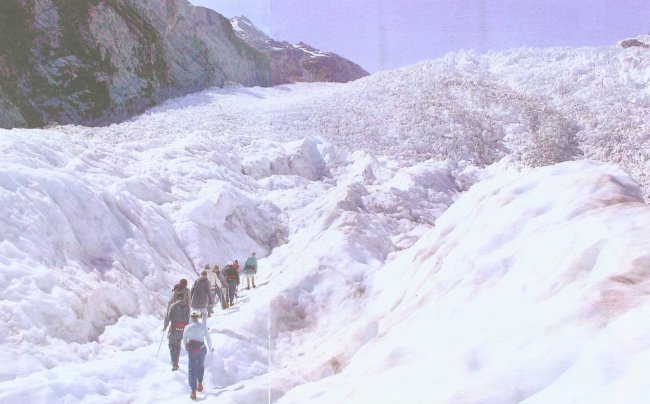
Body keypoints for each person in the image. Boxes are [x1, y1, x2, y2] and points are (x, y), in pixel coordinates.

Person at [182, 309, 214, 400]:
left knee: (192, 368)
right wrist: (211, 348)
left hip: (192, 350)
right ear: (199, 317)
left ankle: (193, 391)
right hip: (201, 348)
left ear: (191, 318)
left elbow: (184, 340)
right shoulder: (203, 326)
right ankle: (200, 383)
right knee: (200, 366)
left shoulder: (187, 327)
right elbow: (208, 338)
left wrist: (186, 348)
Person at [163, 291, 190, 371]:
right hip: (182, 330)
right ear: (183, 298)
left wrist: (165, 326)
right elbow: (187, 318)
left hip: (174, 329)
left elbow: (168, 316)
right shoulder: (186, 306)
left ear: (176, 298)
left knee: (171, 345)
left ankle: (174, 363)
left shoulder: (173, 306)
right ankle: (176, 362)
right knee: (178, 346)